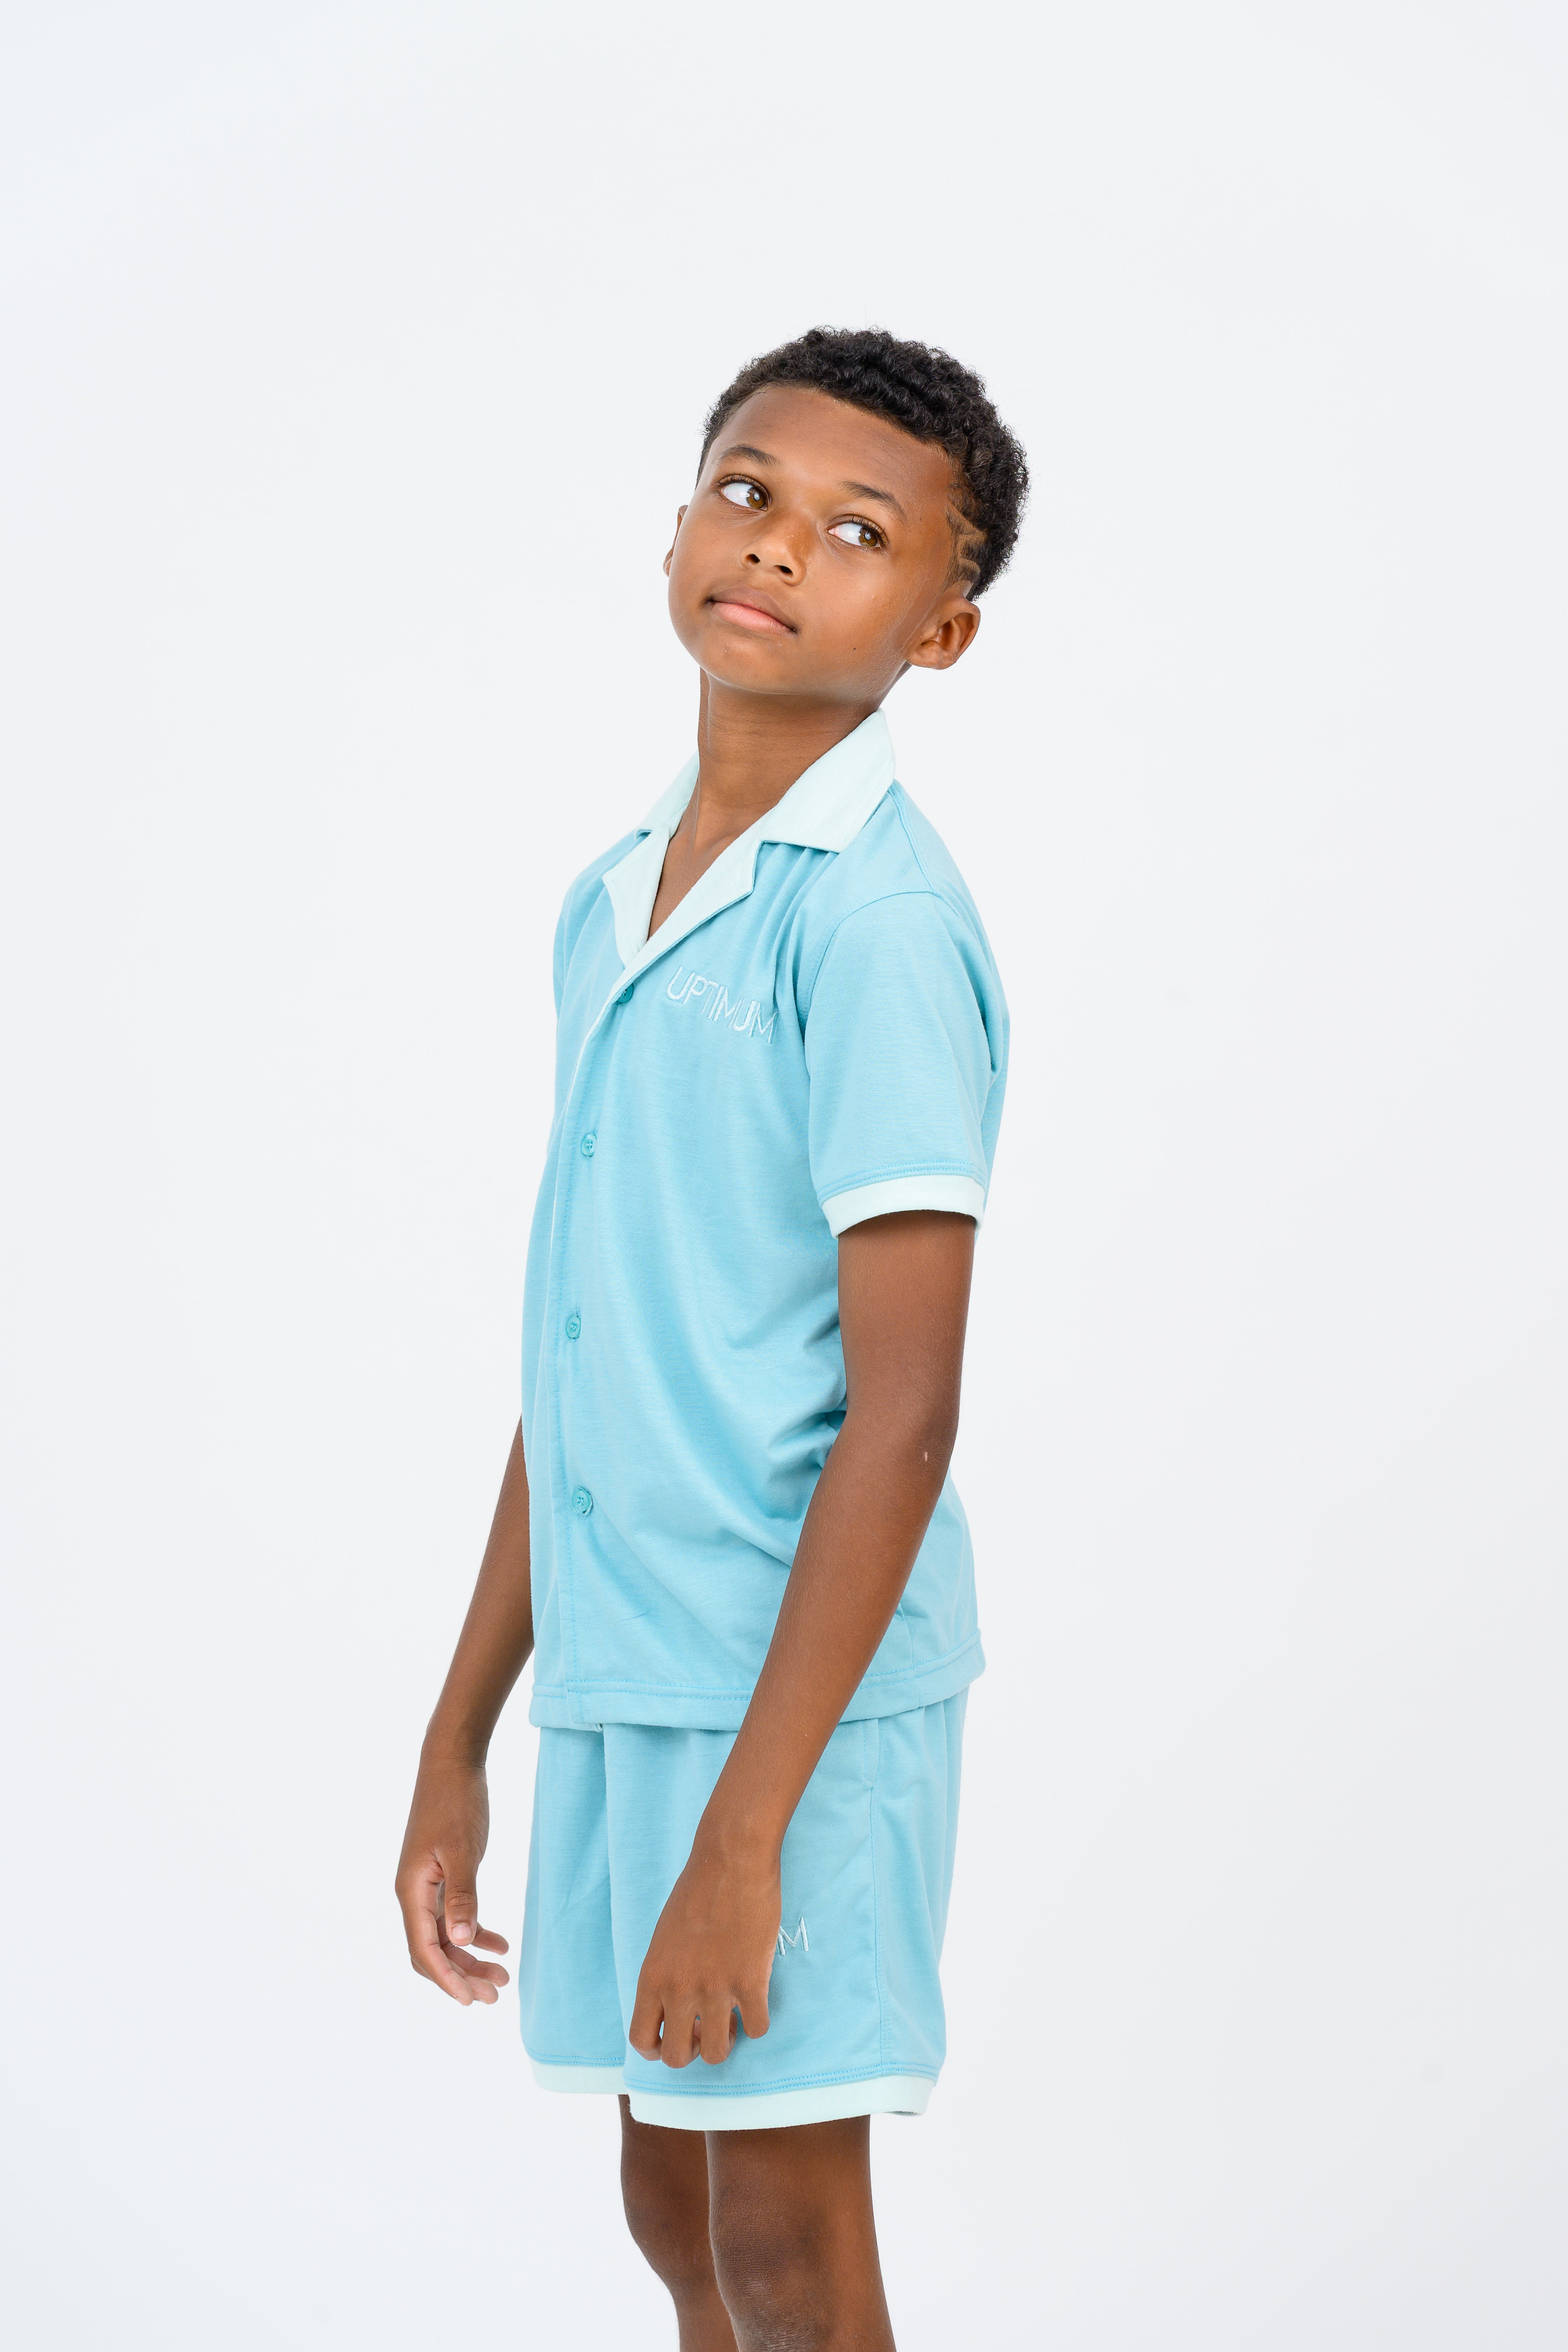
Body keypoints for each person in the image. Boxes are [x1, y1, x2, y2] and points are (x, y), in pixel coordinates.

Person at [396, 325, 1026, 2350]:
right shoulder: (614, 903)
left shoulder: (876, 927)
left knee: (786, 2243)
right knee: (674, 2208)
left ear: (939, 630)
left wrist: (749, 1834)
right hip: (625, 1669)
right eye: (748, 493)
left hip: (796, 1694)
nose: (775, 546)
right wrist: (457, 1736)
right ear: (677, 525)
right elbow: (582, 1357)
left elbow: (904, 1417)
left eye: (857, 532)